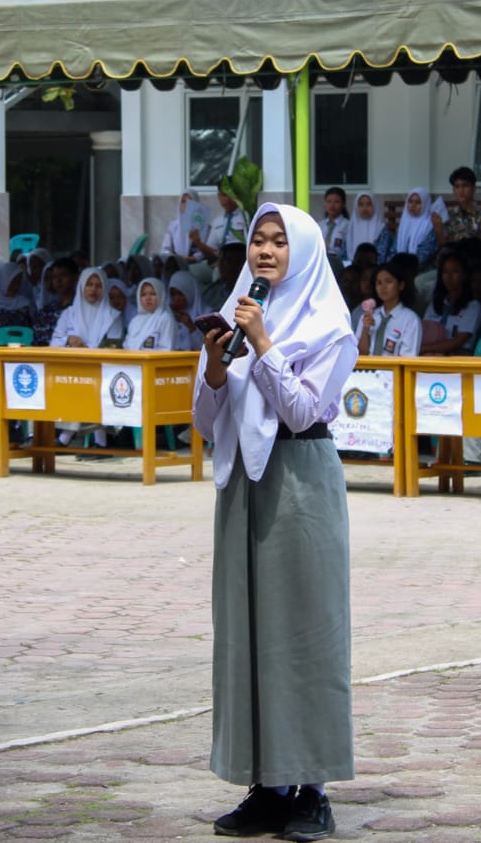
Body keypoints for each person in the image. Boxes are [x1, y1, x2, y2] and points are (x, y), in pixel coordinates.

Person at [192, 202, 355, 841]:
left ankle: (311, 788)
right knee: (248, 633)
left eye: (279, 243)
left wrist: (262, 345)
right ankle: (264, 784)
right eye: (258, 241)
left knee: (305, 632)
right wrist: (213, 365)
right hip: (242, 486)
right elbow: (207, 422)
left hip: (300, 484)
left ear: (305, 253)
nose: (264, 252)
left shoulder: (331, 327)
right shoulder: (238, 313)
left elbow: (300, 412)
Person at [354, 264, 422, 356]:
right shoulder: (367, 316)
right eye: (379, 283)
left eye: (388, 281)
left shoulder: (411, 320)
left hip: (393, 370)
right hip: (366, 370)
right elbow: (360, 354)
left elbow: (408, 358)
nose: (383, 287)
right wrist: (365, 329)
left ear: (401, 285)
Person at [420, 252, 479, 355]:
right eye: (445, 272)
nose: (449, 277)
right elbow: (424, 329)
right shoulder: (435, 303)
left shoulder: (473, 306)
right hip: (429, 354)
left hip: (457, 355)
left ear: (464, 274)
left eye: (455, 271)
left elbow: (458, 341)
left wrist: (424, 348)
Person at [55, 267, 124, 348]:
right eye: (89, 284)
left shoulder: (113, 316)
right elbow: (54, 341)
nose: (93, 289)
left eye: (98, 286)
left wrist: (84, 348)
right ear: (82, 286)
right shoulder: (68, 314)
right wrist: (67, 340)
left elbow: (113, 347)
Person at [375, 188, 440, 272]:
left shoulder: (429, 226)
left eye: (418, 202)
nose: (413, 205)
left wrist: (404, 268)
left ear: (425, 204)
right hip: (400, 268)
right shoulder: (404, 224)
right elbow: (394, 250)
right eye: (410, 201)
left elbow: (424, 255)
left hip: (421, 270)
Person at [31, 258, 79, 346]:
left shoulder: (81, 310)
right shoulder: (46, 312)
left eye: (63, 275)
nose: (58, 280)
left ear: (75, 277)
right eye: (54, 277)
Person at [440, 166, 481, 245]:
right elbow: (444, 245)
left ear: (474, 189)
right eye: (457, 186)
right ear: (453, 191)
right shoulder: (448, 215)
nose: (461, 191)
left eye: (465, 185)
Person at [124, 279, 177, 350]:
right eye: (143, 295)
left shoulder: (165, 319)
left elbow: (166, 349)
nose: (148, 298)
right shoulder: (135, 321)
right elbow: (126, 347)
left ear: (161, 295)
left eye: (152, 294)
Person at [163, 190, 214, 262]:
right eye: (183, 201)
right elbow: (166, 249)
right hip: (176, 263)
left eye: (190, 201)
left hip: (198, 264)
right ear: (179, 204)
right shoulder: (173, 226)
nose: (186, 205)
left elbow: (209, 249)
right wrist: (175, 258)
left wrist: (194, 258)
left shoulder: (207, 228)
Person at [332, 193, 382, 264]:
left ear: (374, 206)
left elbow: (382, 255)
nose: (365, 208)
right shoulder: (349, 228)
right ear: (356, 207)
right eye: (361, 205)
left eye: (369, 204)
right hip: (351, 267)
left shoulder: (381, 228)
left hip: (374, 267)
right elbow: (343, 253)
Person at [168, 270, 208, 350]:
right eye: (173, 294)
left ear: (190, 291)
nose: (176, 298)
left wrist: (191, 326)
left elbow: (204, 348)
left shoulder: (207, 314)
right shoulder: (168, 313)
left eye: (180, 293)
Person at [203, 242, 246, 313]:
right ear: (221, 264)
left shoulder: (249, 293)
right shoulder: (213, 290)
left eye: (239, 261)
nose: (234, 266)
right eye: (229, 261)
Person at [319, 187, 352, 258]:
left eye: (336, 202)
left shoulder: (348, 225)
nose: (332, 205)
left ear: (343, 204)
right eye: (329, 201)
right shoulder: (320, 225)